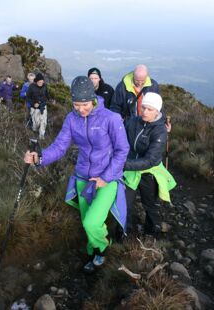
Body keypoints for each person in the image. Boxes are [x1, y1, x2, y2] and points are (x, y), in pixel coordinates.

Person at [24, 76, 129, 273]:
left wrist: (105, 177)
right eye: (76, 104)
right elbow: (60, 146)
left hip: (106, 180)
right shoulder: (72, 119)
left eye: (85, 104)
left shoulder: (110, 119)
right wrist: (40, 158)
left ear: (93, 99)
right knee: (86, 222)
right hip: (82, 178)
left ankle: (104, 246)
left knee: (92, 222)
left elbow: (122, 151)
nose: (81, 109)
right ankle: (93, 253)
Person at [123, 92, 176, 235]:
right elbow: (119, 134)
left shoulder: (160, 130)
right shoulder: (133, 121)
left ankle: (151, 234)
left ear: (157, 111)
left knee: (150, 205)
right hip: (130, 167)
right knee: (124, 205)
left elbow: (150, 160)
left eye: (149, 109)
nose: (145, 112)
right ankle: (123, 235)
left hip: (148, 172)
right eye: (143, 107)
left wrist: (123, 164)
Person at [26, 73, 50, 140]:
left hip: (43, 106)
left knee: (43, 122)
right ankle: (35, 133)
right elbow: (28, 97)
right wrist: (33, 104)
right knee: (36, 124)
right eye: (39, 82)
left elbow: (47, 95)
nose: (41, 83)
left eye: (42, 82)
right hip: (34, 108)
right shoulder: (31, 86)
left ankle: (41, 137)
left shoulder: (45, 86)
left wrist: (50, 100)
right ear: (36, 81)